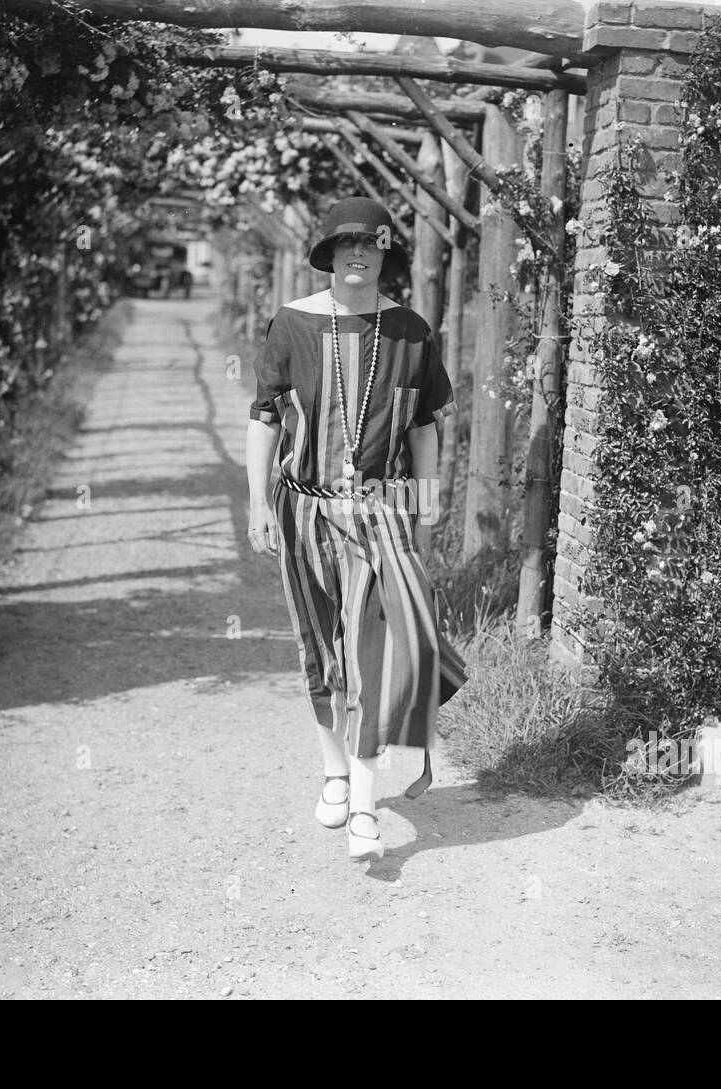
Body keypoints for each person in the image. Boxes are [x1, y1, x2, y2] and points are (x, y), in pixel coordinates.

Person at [246, 197, 468, 862]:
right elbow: (264, 416)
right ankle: (335, 771)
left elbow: (425, 423)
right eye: (345, 246)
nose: (357, 255)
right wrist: (257, 501)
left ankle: (366, 801)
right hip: (303, 509)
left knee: (379, 652)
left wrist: (427, 499)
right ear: (329, 256)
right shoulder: (293, 324)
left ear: (383, 255)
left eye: (368, 245)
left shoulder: (411, 331)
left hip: (381, 512)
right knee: (321, 653)